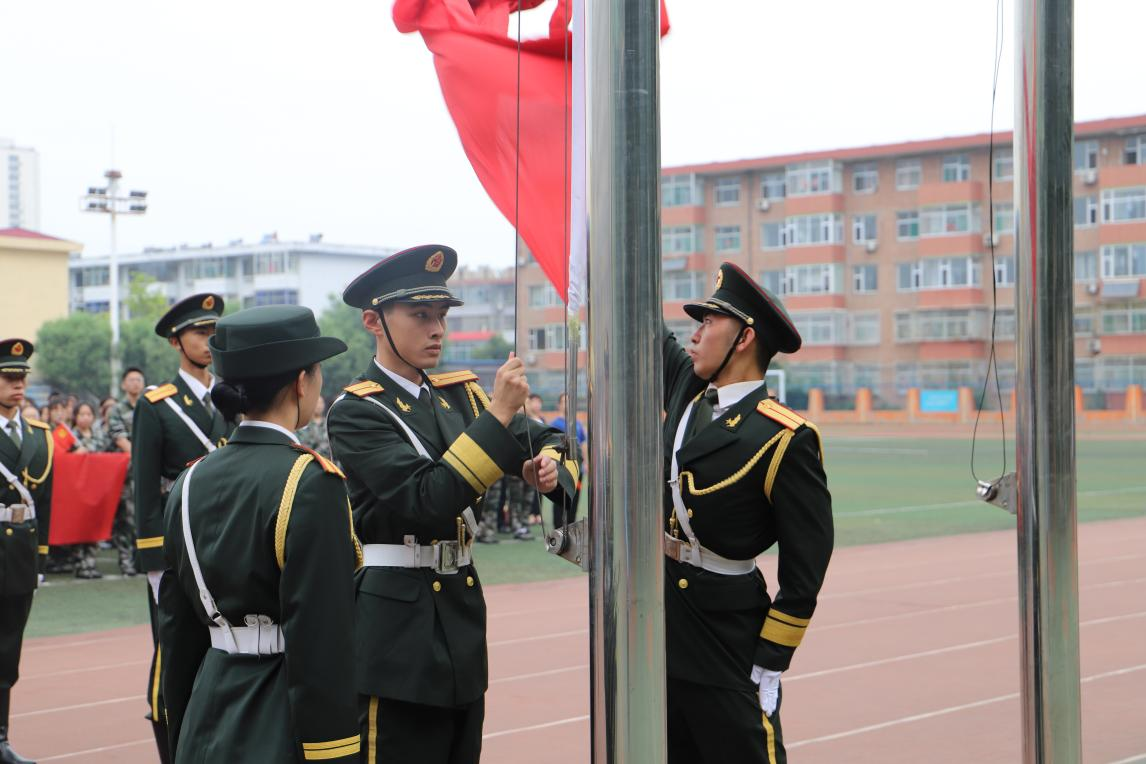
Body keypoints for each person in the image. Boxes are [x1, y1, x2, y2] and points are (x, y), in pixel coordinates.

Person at [327, 244, 578, 763]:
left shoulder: (460, 395)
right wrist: (498, 415)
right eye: (420, 315)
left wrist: (548, 468)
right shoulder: (357, 412)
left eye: (441, 314)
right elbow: (428, 498)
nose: (437, 328)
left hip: (460, 620)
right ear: (374, 321)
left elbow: (553, 439)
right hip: (395, 633)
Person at [159, 305, 361, 762]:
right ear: (301, 382)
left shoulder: (189, 480)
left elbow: (177, 632)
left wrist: (183, 736)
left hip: (207, 709)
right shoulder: (311, 482)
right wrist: (334, 753)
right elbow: (322, 640)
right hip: (278, 713)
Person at [661, 263, 833, 764]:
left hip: (727, 633)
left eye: (708, 322)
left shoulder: (783, 437)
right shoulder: (689, 390)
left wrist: (773, 655)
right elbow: (645, 328)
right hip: (665, 620)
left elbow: (807, 562)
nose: (694, 336)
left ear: (743, 338)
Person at [132, 293, 230, 763]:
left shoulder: (229, 399)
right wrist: (154, 561)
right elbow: (145, 486)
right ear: (176, 341)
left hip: (225, 540)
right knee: (173, 656)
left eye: (214, 332)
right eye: (199, 333)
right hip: (177, 546)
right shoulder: (157, 405)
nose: (209, 341)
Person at [0, 339, 53, 764]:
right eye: (8, 378)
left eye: (22, 378)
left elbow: (45, 503)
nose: (18, 385)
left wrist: (41, 557)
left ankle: (1, 739)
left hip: (19, 556)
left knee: (7, 651)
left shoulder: (40, 436)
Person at [107, 367, 145, 576]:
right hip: (127, 472)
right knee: (126, 517)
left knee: (145, 516)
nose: (135, 383)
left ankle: (142, 559)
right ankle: (125, 560)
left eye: (139, 379)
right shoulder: (117, 409)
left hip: (148, 472)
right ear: (123, 384)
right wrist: (141, 457)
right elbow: (119, 437)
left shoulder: (148, 405)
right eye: (131, 380)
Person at [69, 402, 109, 579]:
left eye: (88, 414)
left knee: (94, 525)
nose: (85, 418)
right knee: (79, 526)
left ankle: (91, 563)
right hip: (77, 489)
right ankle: (80, 564)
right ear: (75, 417)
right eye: (81, 414)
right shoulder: (70, 436)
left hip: (96, 487)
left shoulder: (99, 435)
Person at [548, 391, 585, 529]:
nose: (567, 404)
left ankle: (571, 527)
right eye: (564, 401)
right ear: (559, 405)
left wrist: (586, 464)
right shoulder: (554, 424)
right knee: (560, 499)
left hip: (578, 470)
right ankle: (559, 529)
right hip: (561, 469)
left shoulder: (578, 424)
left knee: (574, 499)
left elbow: (583, 444)